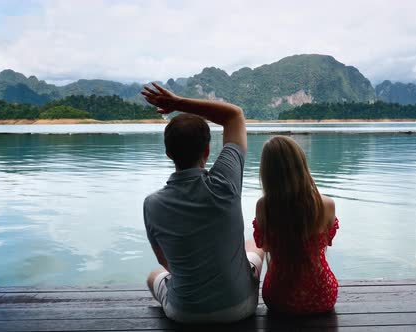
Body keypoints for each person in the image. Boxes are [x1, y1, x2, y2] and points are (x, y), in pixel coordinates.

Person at [141, 83, 264, 324]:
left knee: (154, 276)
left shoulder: (151, 204)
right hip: (240, 307)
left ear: (168, 153)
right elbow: (234, 115)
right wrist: (176, 103)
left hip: (185, 313)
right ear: (207, 151)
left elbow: (164, 261)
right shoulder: (225, 185)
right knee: (255, 247)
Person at [253, 136, 339, 314]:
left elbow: (266, 246)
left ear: (267, 172)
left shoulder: (264, 206)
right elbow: (327, 242)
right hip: (323, 296)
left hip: (279, 298)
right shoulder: (327, 205)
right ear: (301, 165)